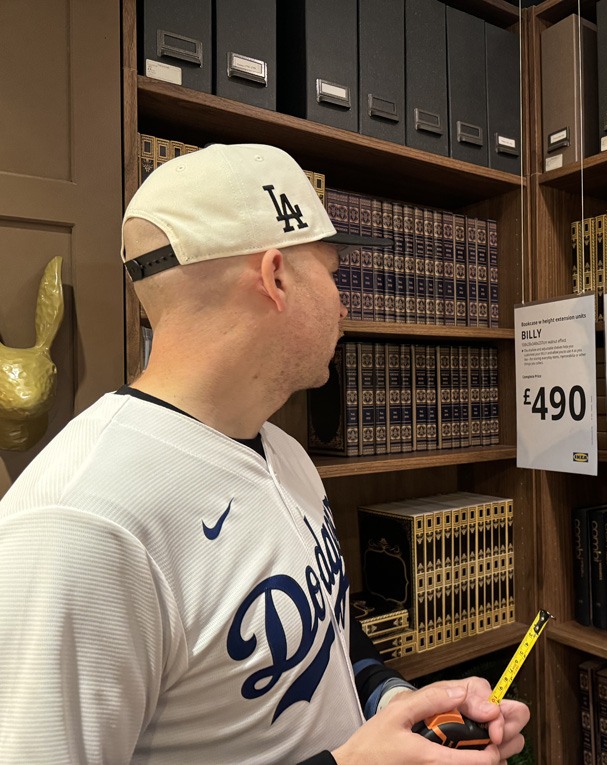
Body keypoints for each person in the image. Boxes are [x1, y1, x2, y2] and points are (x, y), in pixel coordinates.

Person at [0, 143, 529, 764]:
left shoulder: (284, 450)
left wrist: (396, 705)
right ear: (276, 276)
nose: (344, 305)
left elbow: (327, 640)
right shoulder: (81, 523)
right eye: (332, 273)